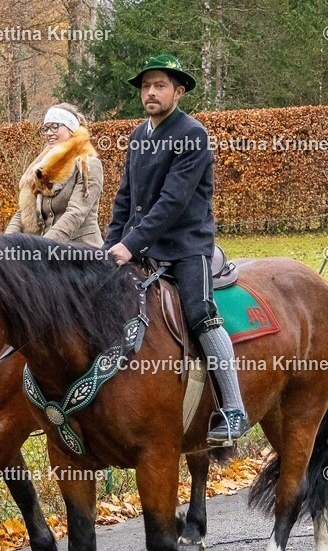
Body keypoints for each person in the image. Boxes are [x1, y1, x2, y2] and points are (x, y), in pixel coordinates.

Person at [103, 54, 249, 445]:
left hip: (185, 246)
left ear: (178, 92)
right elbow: (125, 200)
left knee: (201, 314)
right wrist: (110, 247)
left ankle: (233, 409)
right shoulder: (138, 135)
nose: (150, 92)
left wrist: (130, 245)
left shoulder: (192, 134)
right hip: (139, 246)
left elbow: (173, 202)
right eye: (146, 86)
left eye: (160, 85)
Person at [5, 103, 104, 247]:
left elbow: (75, 214)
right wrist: (6, 242)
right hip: (47, 251)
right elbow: (24, 211)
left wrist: (41, 247)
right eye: (45, 128)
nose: (49, 133)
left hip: (82, 252)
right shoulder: (42, 169)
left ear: (71, 129)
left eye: (55, 126)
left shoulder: (88, 165)